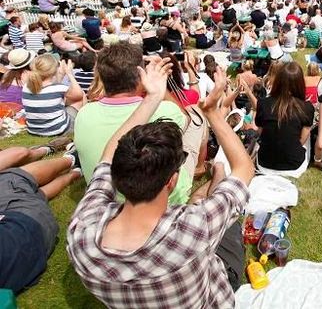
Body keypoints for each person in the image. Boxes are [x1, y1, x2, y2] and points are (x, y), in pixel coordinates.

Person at [67, 60, 254, 308]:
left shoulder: (82, 232)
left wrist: (152, 98)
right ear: (171, 180)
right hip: (208, 296)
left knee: (204, 203)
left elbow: (107, 156)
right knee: (229, 224)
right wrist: (211, 113)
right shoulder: (194, 228)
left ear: (114, 175)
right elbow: (244, 168)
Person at [73, 43, 196, 205]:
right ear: (141, 76)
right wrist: (159, 87)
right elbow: (186, 118)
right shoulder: (165, 110)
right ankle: (201, 169)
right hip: (162, 200)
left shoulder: (83, 114)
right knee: (196, 114)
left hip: (105, 200)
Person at [0, 145, 81, 293]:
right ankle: (71, 159)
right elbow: (20, 153)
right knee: (9, 180)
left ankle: (75, 174)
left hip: (25, 261)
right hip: (24, 228)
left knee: (23, 197)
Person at [255, 62, 315, 176]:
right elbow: (302, 139)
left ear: (278, 80)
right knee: (307, 132)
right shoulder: (307, 107)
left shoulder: (263, 103)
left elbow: (261, 132)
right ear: (300, 83)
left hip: (265, 163)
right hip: (294, 165)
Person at [22, 54, 84, 137]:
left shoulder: (26, 87)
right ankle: (84, 125)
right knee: (80, 98)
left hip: (34, 130)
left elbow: (53, 90)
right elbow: (79, 95)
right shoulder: (59, 88)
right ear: (55, 70)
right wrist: (69, 74)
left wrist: (61, 75)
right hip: (58, 130)